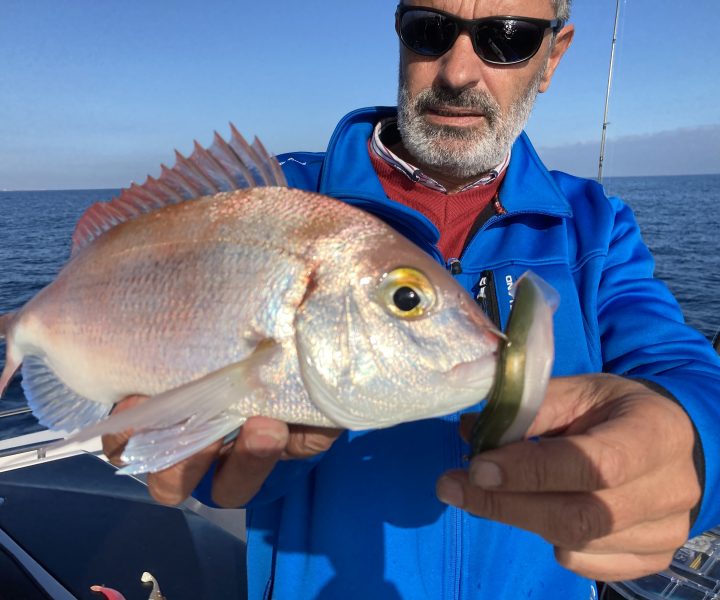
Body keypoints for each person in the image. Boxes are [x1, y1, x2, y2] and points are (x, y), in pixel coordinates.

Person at [103, 1, 720, 598]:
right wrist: (190, 439)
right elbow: (173, 371)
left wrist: (693, 446)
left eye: (507, 38)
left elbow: (682, 368)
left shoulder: (594, 227)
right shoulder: (278, 204)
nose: (458, 72)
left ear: (553, 55)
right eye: (430, 30)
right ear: (398, 32)